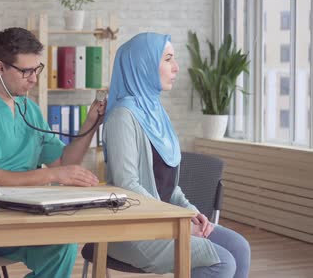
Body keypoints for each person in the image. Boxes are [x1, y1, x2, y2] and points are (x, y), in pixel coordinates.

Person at [0, 27, 105, 278]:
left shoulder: (29, 109)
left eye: (37, 69)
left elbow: (63, 160)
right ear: (0, 67)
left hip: (16, 214)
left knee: (62, 246)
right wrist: (52, 176)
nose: (34, 79)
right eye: (26, 71)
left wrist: (90, 124)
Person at [103, 32, 251, 278]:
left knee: (239, 248)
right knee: (223, 262)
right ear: (145, 64)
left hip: (167, 220)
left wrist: (191, 212)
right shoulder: (122, 117)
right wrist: (178, 225)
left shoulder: (156, 113)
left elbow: (169, 187)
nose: (177, 67)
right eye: (168, 59)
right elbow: (128, 186)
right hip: (133, 230)